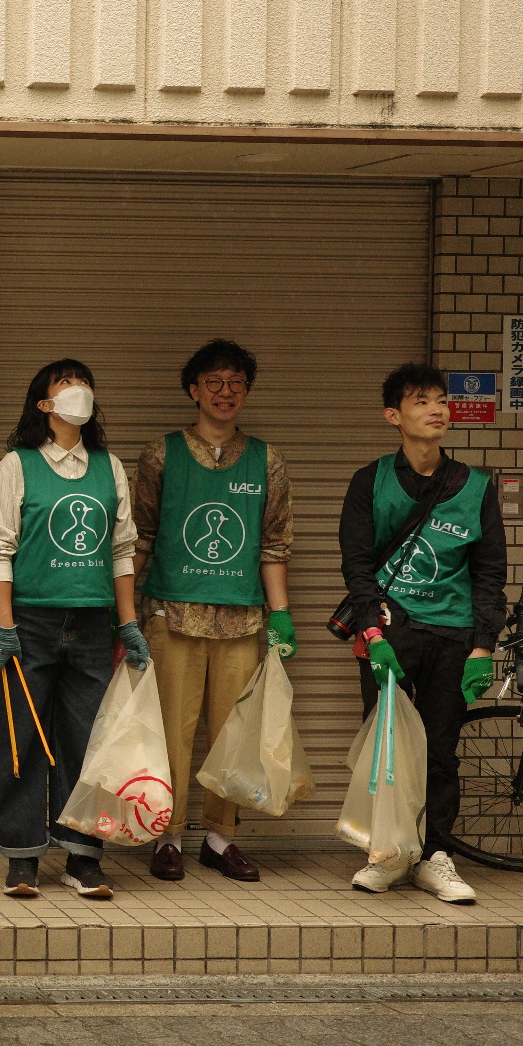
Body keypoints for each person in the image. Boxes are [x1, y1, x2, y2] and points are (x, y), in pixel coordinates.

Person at [337, 363, 506, 903]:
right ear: (394, 416)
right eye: (420, 401)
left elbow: (489, 574)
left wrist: (484, 646)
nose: (437, 409)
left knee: (440, 749)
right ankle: (387, 851)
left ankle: (436, 855)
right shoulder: (371, 481)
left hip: (453, 637)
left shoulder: (475, 486)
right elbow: (357, 566)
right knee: (386, 748)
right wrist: (372, 633)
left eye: (442, 400)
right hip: (390, 632)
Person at [0, 360, 146, 901]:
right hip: (28, 621)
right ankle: (23, 859)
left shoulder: (110, 467)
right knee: (22, 739)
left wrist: (129, 622)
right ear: (43, 405)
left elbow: (122, 551)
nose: (79, 393)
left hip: (93, 624)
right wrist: (4, 626)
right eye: (65, 386)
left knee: (87, 742)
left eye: (84, 384)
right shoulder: (17, 465)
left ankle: (82, 857)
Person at [132, 340, 294, 884]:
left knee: (233, 732)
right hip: (170, 614)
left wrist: (281, 615)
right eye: (214, 383)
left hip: (243, 619)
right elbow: (140, 536)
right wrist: (125, 613)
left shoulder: (266, 458)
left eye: (236, 384)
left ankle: (220, 838)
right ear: (193, 390)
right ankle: (168, 835)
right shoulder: (160, 454)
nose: (225, 393)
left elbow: (273, 543)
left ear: (246, 392)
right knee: (172, 730)